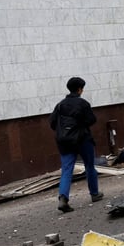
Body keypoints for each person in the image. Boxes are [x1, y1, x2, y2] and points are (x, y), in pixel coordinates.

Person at [49, 76, 103, 212]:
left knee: (67, 170)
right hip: (83, 139)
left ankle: (63, 198)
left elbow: (52, 123)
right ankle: (94, 194)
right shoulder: (83, 103)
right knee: (89, 166)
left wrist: (66, 131)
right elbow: (92, 120)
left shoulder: (60, 105)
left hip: (65, 142)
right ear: (79, 89)